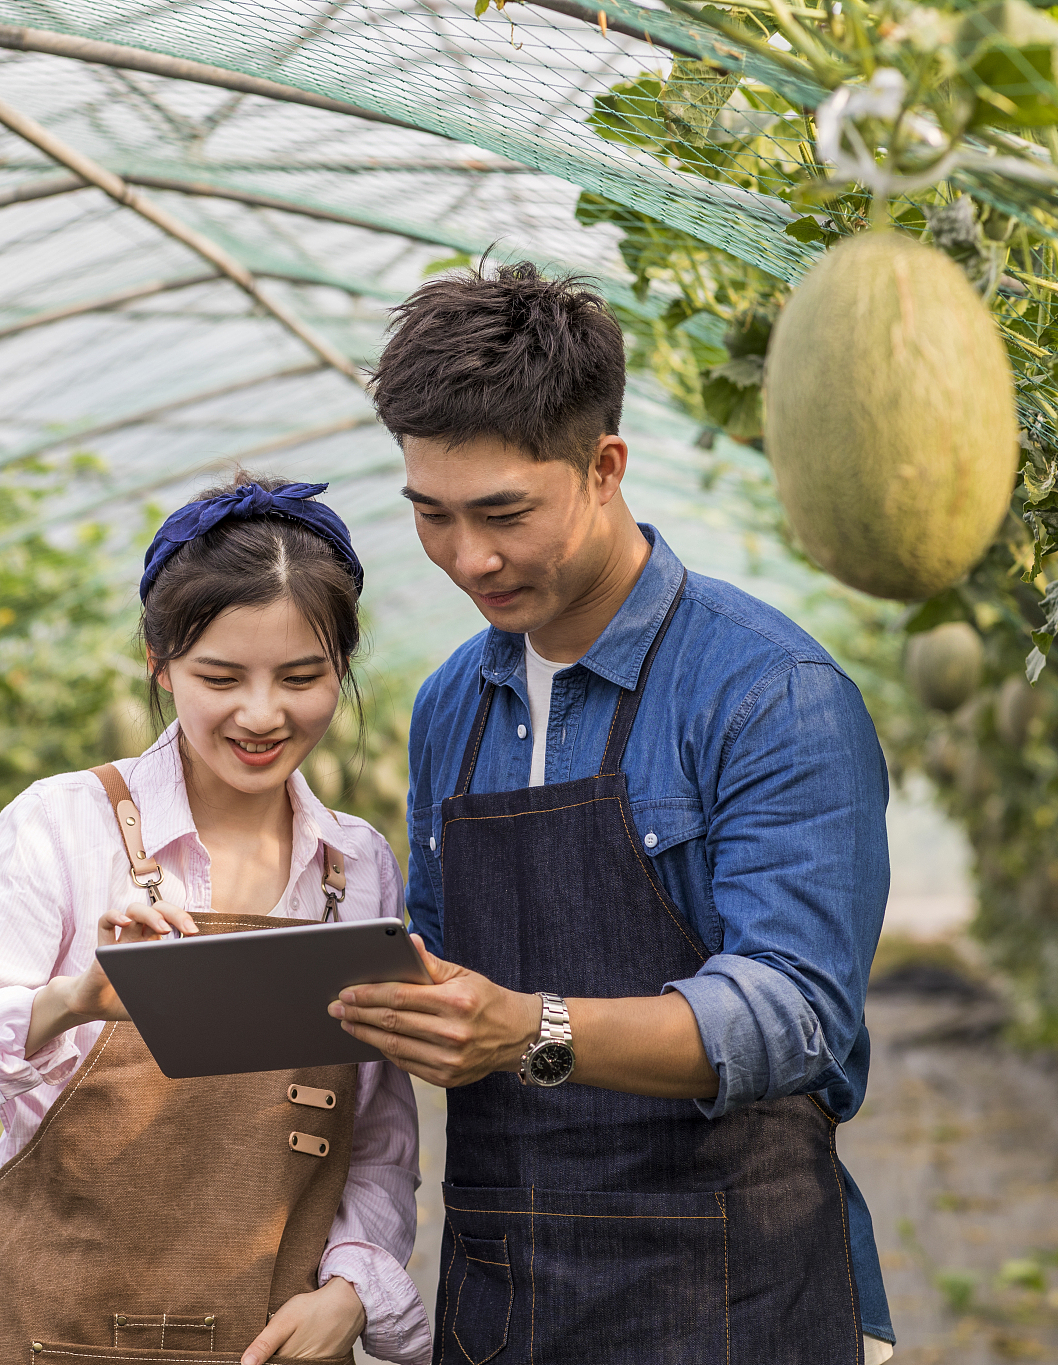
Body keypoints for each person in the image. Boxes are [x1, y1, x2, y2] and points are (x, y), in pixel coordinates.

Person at [329, 264, 896, 1364]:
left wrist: (529, 1031)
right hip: (508, 1283)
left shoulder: (765, 691)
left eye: (502, 514)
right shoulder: (452, 702)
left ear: (604, 468)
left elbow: (795, 1012)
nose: (466, 558)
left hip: (732, 1286)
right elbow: (443, 968)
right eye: (431, 517)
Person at [0, 475, 432, 1365]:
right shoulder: (62, 825)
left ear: (342, 670)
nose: (261, 713)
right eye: (219, 676)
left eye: (301, 676)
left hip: (267, 1339)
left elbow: (380, 1130)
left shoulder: (355, 866)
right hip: (53, 1333)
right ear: (160, 665)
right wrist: (72, 999)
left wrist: (351, 1292)